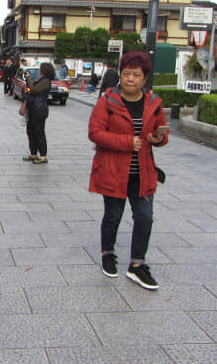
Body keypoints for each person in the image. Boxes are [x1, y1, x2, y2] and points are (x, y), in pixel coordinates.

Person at [88, 51, 168, 290]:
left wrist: (157, 138)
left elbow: (161, 134)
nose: (130, 79)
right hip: (113, 169)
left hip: (143, 172)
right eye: (126, 74)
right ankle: (108, 253)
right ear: (120, 75)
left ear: (145, 78)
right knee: (113, 216)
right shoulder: (107, 101)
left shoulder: (154, 103)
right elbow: (95, 132)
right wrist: (126, 142)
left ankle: (137, 265)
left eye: (136, 75)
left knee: (145, 218)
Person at [22, 62, 55, 164]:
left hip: (39, 109)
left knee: (39, 132)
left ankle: (43, 155)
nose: (39, 70)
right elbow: (31, 88)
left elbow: (34, 90)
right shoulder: (40, 80)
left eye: (40, 68)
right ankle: (33, 153)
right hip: (33, 108)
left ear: (44, 70)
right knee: (30, 131)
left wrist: (28, 79)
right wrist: (28, 79)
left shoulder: (46, 81)